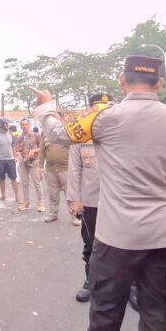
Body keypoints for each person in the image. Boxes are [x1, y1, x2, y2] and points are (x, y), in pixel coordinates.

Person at [33, 55, 166, 331]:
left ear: (122, 80)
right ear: (159, 83)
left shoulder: (105, 118)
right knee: (155, 309)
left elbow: (57, 134)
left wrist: (46, 105)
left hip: (115, 236)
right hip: (161, 235)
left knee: (106, 310)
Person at [68, 93, 112, 303]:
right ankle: (91, 282)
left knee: (127, 246)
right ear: (90, 109)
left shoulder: (119, 132)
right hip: (91, 201)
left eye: (105, 106)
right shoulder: (80, 136)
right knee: (90, 244)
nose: (101, 110)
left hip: (118, 202)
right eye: (97, 107)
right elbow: (75, 169)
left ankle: (129, 286)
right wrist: (74, 199)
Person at [39, 119, 73, 224]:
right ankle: (53, 214)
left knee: (70, 194)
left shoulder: (66, 132)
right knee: (52, 193)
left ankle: (75, 216)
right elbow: (42, 151)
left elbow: (73, 149)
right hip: (50, 169)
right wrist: (40, 166)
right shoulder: (45, 134)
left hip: (65, 168)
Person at [17, 118, 44, 212]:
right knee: (24, 184)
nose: (24, 126)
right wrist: (19, 157)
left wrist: (33, 151)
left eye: (26, 124)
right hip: (23, 163)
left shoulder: (36, 135)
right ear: (20, 126)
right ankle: (26, 202)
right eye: (22, 125)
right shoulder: (19, 137)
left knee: (37, 184)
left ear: (29, 125)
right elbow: (18, 150)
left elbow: (42, 148)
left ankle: (40, 203)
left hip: (34, 162)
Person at [0, 118, 19, 203]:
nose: (8, 126)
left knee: (14, 178)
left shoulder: (11, 135)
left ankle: (17, 197)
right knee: (2, 179)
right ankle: (3, 196)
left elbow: (13, 147)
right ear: (2, 125)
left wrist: (15, 156)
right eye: (6, 124)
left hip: (10, 160)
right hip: (0, 161)